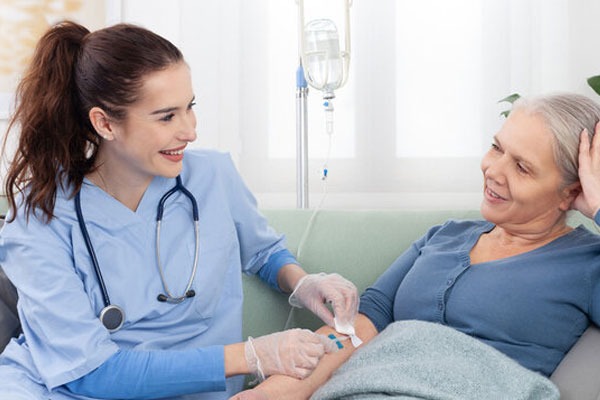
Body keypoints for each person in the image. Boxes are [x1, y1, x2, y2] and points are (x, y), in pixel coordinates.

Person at [0, 21, 359, 400]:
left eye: (190, 107)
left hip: (192, 390)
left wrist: (302, 283)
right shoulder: (40, 215)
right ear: (104, 123)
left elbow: (263, 253)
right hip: (60, 389)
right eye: (167, 116)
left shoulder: (212, 176)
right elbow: (90, 373)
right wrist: (252, 356)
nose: (190, 131)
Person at [233, 93, 600, 399]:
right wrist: (276, 391)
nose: (494, 170)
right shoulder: (446, 236)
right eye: (496, 148)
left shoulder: (586, 265)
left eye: (521, 167)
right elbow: (362, 322)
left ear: (571, 192)